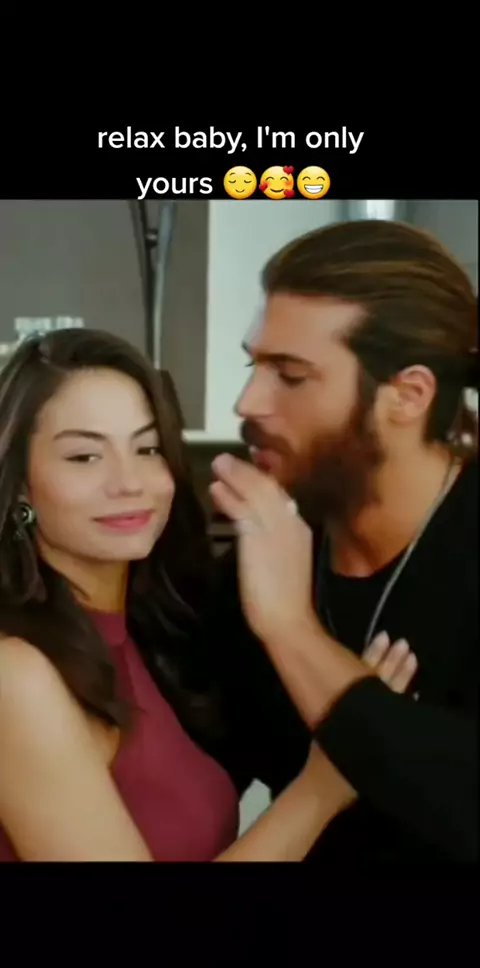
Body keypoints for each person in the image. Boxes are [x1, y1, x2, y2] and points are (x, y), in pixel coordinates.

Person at [0, 327, 414, 863]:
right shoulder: (17, 674)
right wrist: (324, 785)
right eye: (84, 456)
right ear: (20, 485)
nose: (129, 481)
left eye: (147, 448)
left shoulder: (158, 633)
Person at [206, 217, 479, 867]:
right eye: (253, 366)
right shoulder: (265, 554)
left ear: (407, 395)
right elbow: (190, 782)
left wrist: (291, 630)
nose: (247, 402)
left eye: (290, 375)